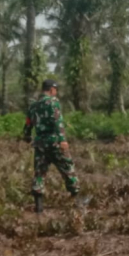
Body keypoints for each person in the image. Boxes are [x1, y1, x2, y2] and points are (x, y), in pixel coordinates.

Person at [22, 79, 80, 213]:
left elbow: (28, 124)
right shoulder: (53, 102)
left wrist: (27, 137)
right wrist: (62, 140)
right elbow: (57, 121)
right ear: (52, 89)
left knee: (39, 173)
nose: (56, 93)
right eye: (56, 91)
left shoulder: (33, 106)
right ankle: (75, 197)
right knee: (67, 168)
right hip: (54, 142)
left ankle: (39, 205)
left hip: (40, 143)